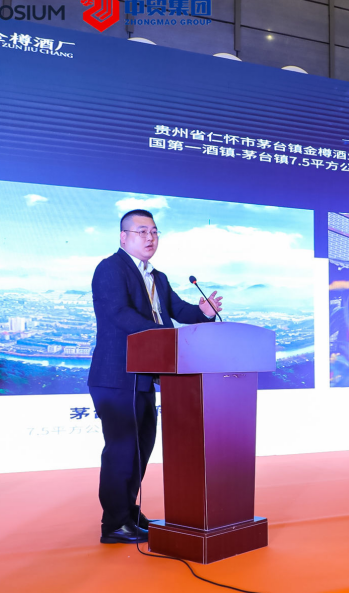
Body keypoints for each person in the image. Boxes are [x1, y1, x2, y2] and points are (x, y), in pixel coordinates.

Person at [87, 208, 222, 544]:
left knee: (139, 449)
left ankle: (128, 514)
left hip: (145, 376)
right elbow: (120, 314)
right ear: (124, 237)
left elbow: (177, 310)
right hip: (117, 376)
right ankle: (113, 524)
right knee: (122, 450)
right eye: (142, 231)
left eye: (154, 232)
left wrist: (202, 312)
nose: (150, 238)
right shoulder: (110, 268)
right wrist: (168, 337)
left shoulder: (157, 276)